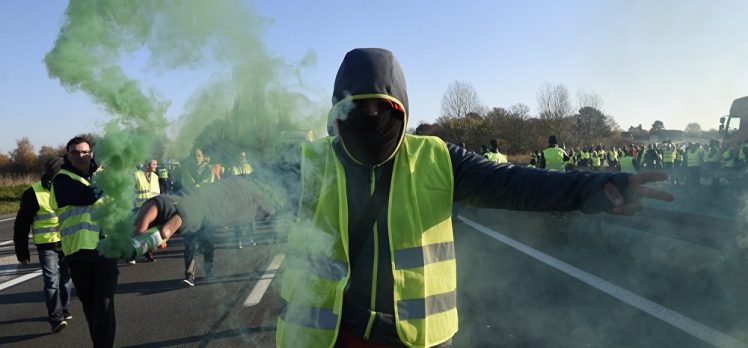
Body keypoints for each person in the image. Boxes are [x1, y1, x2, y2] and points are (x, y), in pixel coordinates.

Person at [133, 48, 673, 348]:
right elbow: (245, 191)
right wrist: (182, 205)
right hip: (331, 341)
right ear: (334, 115)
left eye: (380, 111)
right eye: (354, 111)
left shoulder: (437, 159)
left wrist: (594, 189)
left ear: (402, 112)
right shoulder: (313, 162)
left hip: (417, 341)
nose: (368, 123)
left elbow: (518, 183)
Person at [51, 135, 118, 347]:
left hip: (106, 249)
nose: (80, 156)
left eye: (85, 152)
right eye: (75, 152)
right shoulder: (62, 180)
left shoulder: (103, 175)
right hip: (79, 252)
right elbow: (88, 196)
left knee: (105, 304)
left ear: (91, 154)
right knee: (91, 306)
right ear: (67, 156)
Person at [13, 157, 73, 333]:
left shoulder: (70, 187)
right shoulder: (33, 193)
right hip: (47, 245)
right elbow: (22, 224)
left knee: (67, 279)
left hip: (69, 242)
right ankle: (56, 318)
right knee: (51, 281)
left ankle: (64, 308)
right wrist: (21, 251)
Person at [177, 148, 216, 286]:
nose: (196, 158)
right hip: (191, 212)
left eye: (199, 155)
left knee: (208, 243)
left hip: (206, 211)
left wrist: (194, 189)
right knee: (189, 245)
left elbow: (207, 185)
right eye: (194, 155)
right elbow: (184, 186)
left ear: (204, 157)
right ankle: (189, 275)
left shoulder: (209, 170)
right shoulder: (185, 170)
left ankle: (209, 272)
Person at [132, 159, 161, 263]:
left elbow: (157, 193)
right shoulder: (136, 175)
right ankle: (132, 254)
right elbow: (131, 191)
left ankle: (148, 252)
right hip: (138, 207)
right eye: (154, 164)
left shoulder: (156, 176)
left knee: (148, 231)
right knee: (136, 231)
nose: (156, 166)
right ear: (148, 164)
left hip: (151, 209)